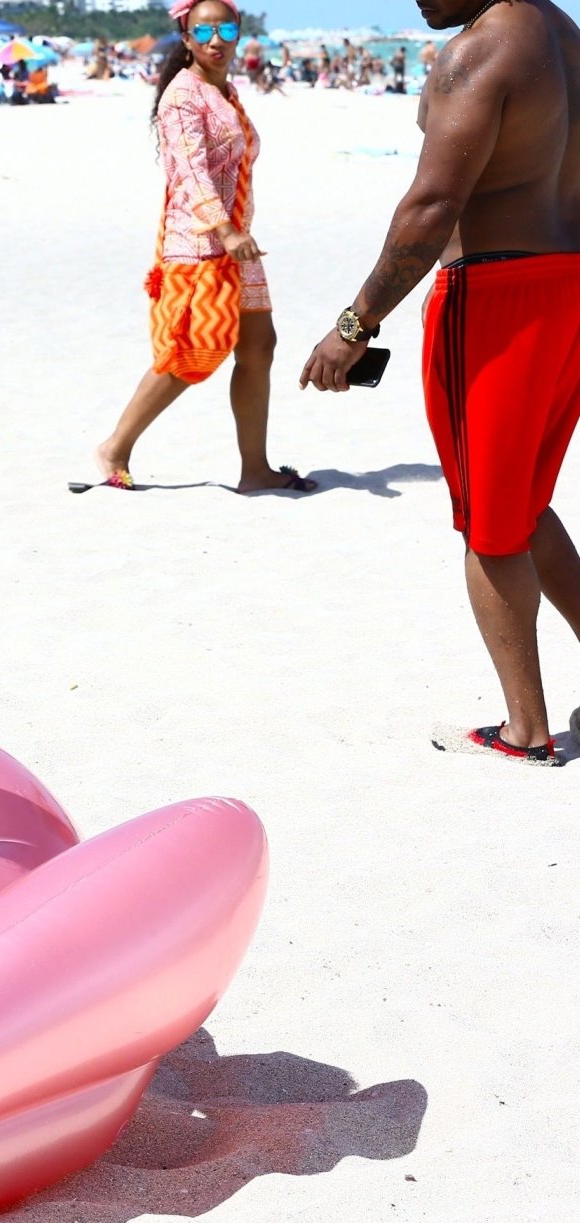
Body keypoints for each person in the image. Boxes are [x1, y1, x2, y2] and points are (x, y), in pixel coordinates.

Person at [301, 0, 580, 767]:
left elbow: (431, 206)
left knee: (491, 523)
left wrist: (354, 325)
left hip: (495, 297)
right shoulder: (565, 37)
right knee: (525, 502)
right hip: (567, 285)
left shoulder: (479, 49)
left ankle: (525, 733)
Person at [91, 0, 313, 495]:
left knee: (258, 347)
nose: (216, 40)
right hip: (200, 242)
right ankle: (115, 446)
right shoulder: (181, 96)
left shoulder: (225, 91)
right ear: (187, 38)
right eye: (205, 31)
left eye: (226, 30)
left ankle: (255, 470)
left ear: (238, 35)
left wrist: (237, 234)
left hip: (237, 242)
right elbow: (191, 171)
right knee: (190, 352)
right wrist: (226, 231)